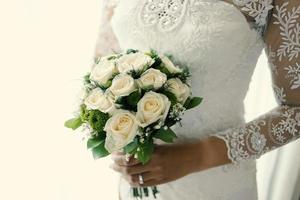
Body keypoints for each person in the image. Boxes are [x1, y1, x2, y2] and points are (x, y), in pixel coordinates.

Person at [95, 0, 300, 199]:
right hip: (136, 182)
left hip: (214, 184)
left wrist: (199, 155)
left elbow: (296, 110)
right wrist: (119, 138)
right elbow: (101, 72)